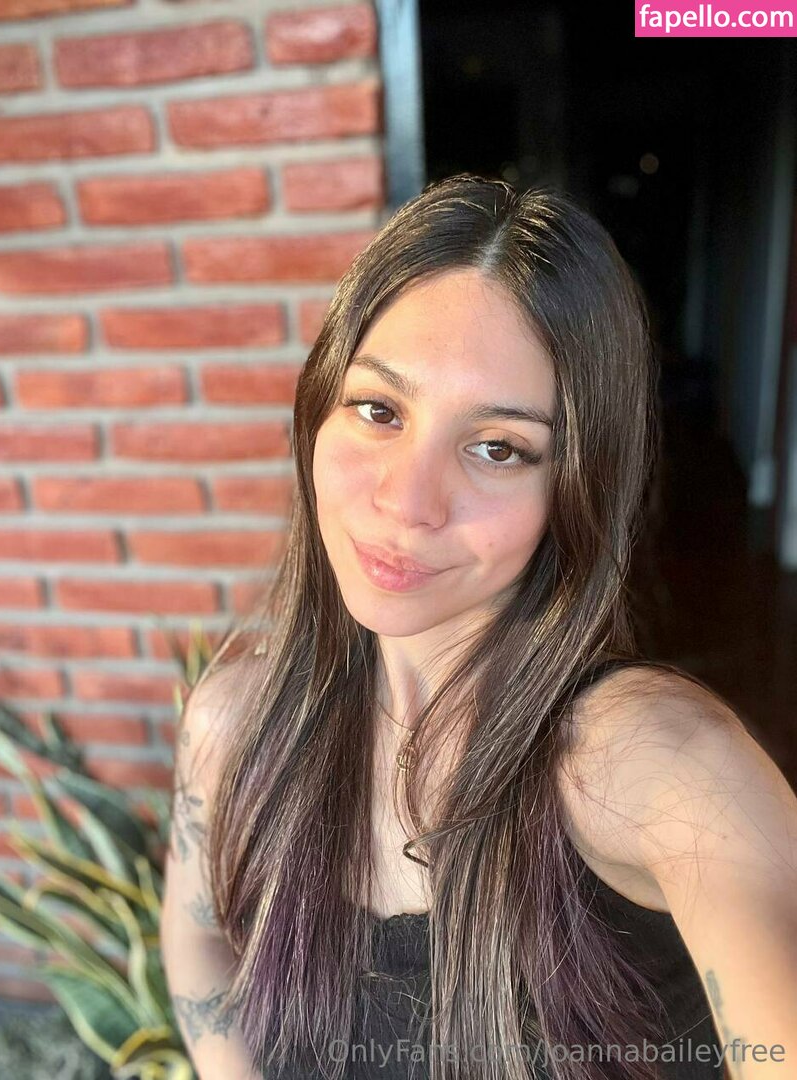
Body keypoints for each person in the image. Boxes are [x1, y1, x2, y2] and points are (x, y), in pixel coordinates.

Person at [159, 175, 797, 1080]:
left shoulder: (651, 761)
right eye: (378, 409)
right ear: (316, 412)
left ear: (574, 487)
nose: (408, 502)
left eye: (497, 447)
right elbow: (198, 952)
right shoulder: (234, 726)